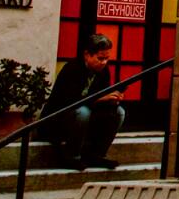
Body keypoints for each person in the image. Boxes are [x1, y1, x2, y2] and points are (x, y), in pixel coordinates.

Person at [40, 33, 125, 170]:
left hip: (87, 116)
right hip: (58, 118)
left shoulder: (103, 71)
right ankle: (72, 156)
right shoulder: (71, 69)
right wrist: (101, 98)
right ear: (87, 55)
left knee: (119, 112)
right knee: (82, 112)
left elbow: (102, 96)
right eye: (100, 58)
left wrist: (112, 100)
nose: (104, 62)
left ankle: (97, 154)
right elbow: (69, 100)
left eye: (107, 58)